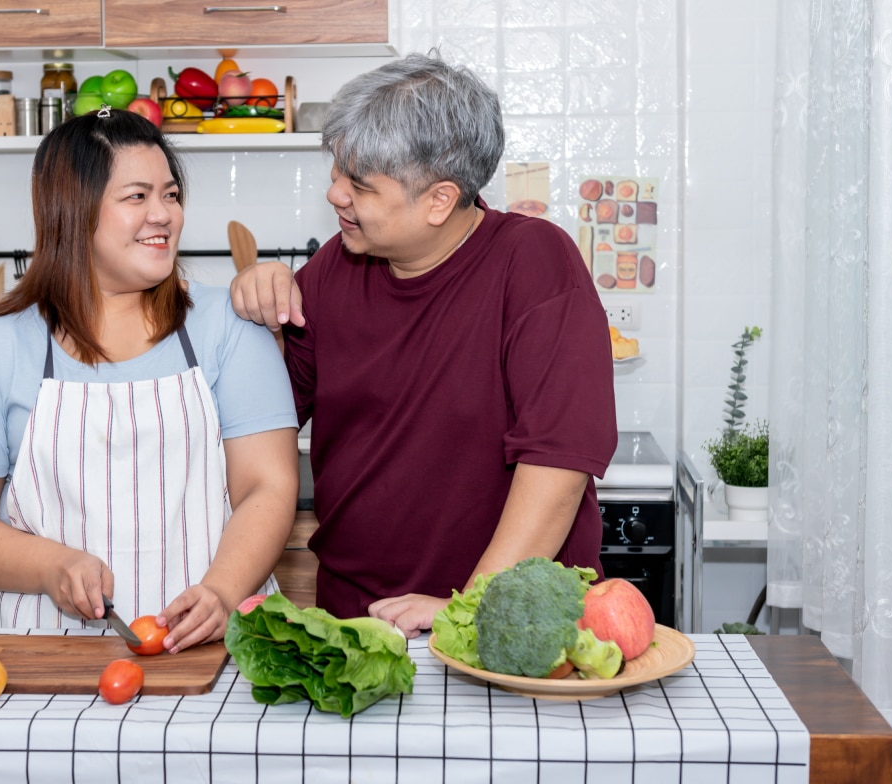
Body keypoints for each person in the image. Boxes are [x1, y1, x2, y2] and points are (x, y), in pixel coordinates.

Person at [230, 53, 618, 638]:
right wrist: (265, 318)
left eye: (359, 185)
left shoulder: (534, 261)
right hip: (357, 621)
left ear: (440, 200)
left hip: (513, 626)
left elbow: (556, 465)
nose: (336, 194)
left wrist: (471, 608)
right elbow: (266, 412)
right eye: (337, 171)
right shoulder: (336, 267)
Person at [0, 108, 300, 653]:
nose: (163, 214)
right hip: (35, 651)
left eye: (170, 194)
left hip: (211, 647)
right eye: (137, 197)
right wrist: (52, 565)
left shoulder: (230, 327)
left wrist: (221, 591)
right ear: (73, 212)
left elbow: (270, 486)